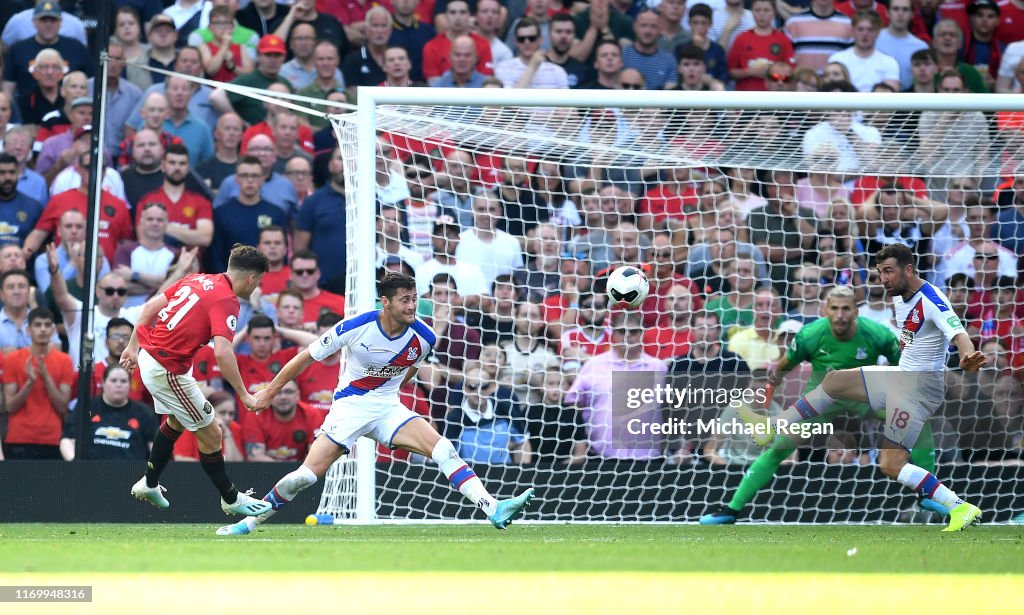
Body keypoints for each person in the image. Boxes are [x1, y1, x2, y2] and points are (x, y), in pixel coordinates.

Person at [215, 272, 535, 535]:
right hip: (349, 408)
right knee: (306, 477)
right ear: (386, 302)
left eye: (414, 299)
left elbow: (410, 368)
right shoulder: (356, 327)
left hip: (386, 407)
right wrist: (269, 392)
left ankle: (493, 507)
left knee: (443, 449)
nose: (413, 306)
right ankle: (248, 522)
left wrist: (390, 394)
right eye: (405, 300)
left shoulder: (424, 337)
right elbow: (306, 356)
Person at [736, 244, 987, 532]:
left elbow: (958, 333)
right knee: (887, 461)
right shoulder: (902, 295)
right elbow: (912, 338)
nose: (884, 279)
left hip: (919, 389)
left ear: (908, 269)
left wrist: (967, 355)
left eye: (888, 271)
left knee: (842, 392)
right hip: (903, 379)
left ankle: (956, 505)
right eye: (880, 273)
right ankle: (960, 507)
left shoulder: (932, 299)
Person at [701, 286, 946, 523]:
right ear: (826, 310)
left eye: (846, 309)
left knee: (918, 421)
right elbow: (787, 362)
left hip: (866, 397)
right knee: (779, 449)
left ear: (856, 311)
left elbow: (901, 367)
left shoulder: (878, 334)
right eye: (835, 309)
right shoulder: (810, 334)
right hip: (821, 400)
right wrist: (772, 384)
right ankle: (731, 509)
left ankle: (926, 496)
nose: (840, 315)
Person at [123, 244, 273, 517]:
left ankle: (149, 482)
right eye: (258, 281)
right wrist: (244, 395)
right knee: (212, 432)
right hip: (167, 369)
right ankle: (230, 498)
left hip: (155, 357)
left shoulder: (197, 278)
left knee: (179, 419)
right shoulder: (227, 300)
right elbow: (223, 353)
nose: (256, 287)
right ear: (251, 278)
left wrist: (133, 346)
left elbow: (150, 306)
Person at [2, 307, 74, 460]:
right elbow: (10, 406)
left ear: (53, 330)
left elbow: (62, 407)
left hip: (52, 438)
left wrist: (46, 377)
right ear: (28, 330)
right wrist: (30, 382)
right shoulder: (12, 359)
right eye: (38, 325)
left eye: (47, 325)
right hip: (19, 438)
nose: (43, 329)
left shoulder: (65, 361)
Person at [59, 365, 157, 461]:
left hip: (132, 472)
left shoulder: (144, 412)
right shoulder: (87, 408)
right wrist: (75, 464)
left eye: (123, 381)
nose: (118, 385)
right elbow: (67, 439)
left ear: (130, 385)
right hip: (90, 471)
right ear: (103, 382)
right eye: (113, 380)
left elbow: (155, 446)